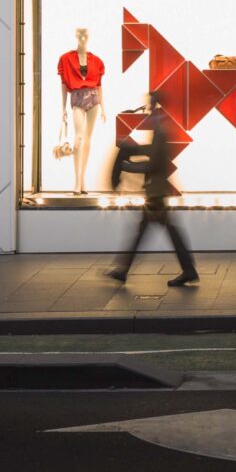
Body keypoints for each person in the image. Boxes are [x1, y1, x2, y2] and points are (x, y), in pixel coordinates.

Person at [106, 89, 199, 287]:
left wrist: (126, 166)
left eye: (151, 104)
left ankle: (124, 269)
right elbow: (153, 155)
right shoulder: (160, 129)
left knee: (154, 232)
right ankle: (124, 270)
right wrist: (133, 152)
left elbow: (154, 164)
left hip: (156, 191)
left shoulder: (161, 131)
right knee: (155, 231)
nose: (148, 108)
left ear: (157, 105)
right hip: (156, 190)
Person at [57, 27, 105, 196]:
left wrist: (103, 107)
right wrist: (63, 108)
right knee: (78, 137)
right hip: (77, 98)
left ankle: (82, 179)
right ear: (75, 35)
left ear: (89, 36)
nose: (83, 37)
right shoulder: (66, 58)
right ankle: (77, 180)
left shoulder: (97, 61)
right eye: (80, 33)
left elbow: (99, 86)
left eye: (85, 34)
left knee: (88, 139)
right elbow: (64, 84)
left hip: (93, 98)